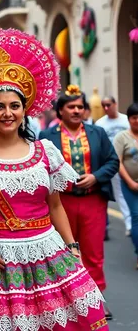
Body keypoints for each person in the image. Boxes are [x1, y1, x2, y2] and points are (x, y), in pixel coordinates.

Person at [0, 29, 108, 331]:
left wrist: (72, 247)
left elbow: (55, 207)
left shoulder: (45, 152)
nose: (8, 113)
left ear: (24, 110)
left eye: (14, 106)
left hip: (47, 255)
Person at [40, 85, 118, 319]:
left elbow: (112, 162)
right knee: (64, 252)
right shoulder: (47, 137)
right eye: (71, 107)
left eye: (80, 107)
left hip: (93, 200)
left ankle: (97, 299)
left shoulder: (98, 134)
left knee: (94, 252)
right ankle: (67, 300)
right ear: (60, 111)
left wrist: (96, 176)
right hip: (61, 203)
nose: (76, 110)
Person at [96, 96, 132, 236]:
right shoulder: (100, 123)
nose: (106, 108)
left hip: (130, 159)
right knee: (120, 193)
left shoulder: (125, 120)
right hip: (113, 162)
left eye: (108, 105)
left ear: (115, 104)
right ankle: (129, 223)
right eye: (103, 105)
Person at [113, 102, 138, 269]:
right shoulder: (122, 137)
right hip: (130, 185)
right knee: (136, 217)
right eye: (134, 118)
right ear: (129, 119)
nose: (137, 121)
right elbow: (118, 162)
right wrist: (130, 182)